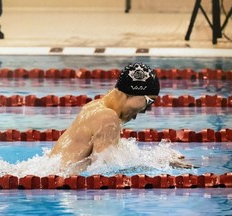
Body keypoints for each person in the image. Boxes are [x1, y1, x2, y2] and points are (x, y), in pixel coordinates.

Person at [48, 62, 192, 175]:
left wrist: (154, 157)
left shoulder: (95, 106)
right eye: (149, 101)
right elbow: (105, 170)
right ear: (132, 93)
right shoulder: (107, 117)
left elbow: (102, 160)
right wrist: (161, 163)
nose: (146, 110)